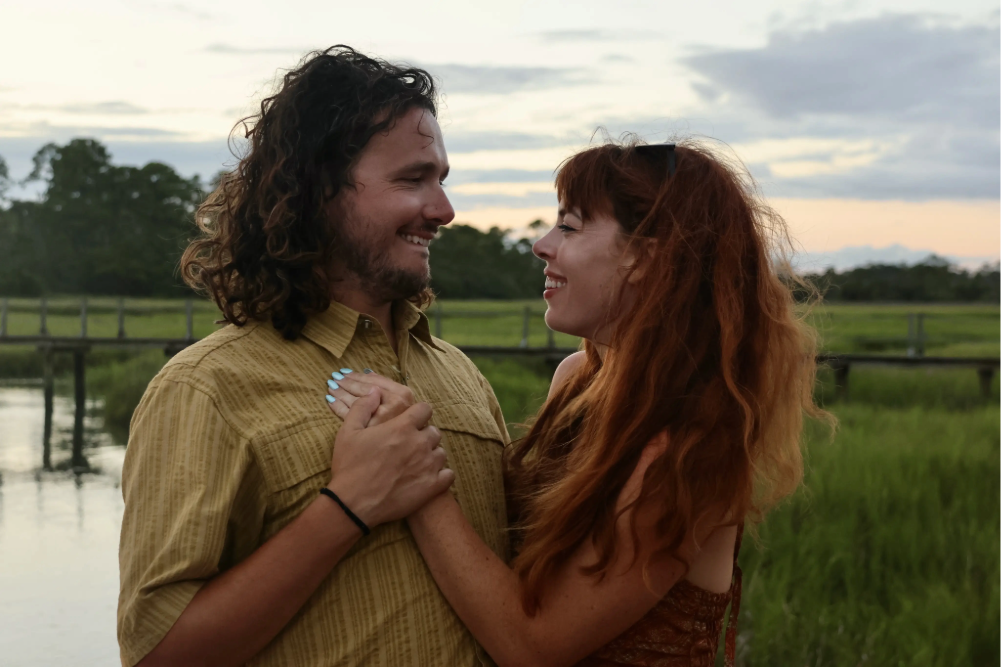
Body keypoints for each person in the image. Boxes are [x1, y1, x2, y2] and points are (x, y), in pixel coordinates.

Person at [326, 141, 829, 666]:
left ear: (645, 256)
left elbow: (534, 647)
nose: (542, 245)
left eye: (569, 226)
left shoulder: (684, 448)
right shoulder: (577, 380)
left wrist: (416, 478)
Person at [117, 46, 511, 666]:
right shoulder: (205, 389)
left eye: (441, 179)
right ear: (317, 188)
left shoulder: (461, 376)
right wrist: (347, 508)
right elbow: (158, 653)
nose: (443, 210)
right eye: (412, 179)